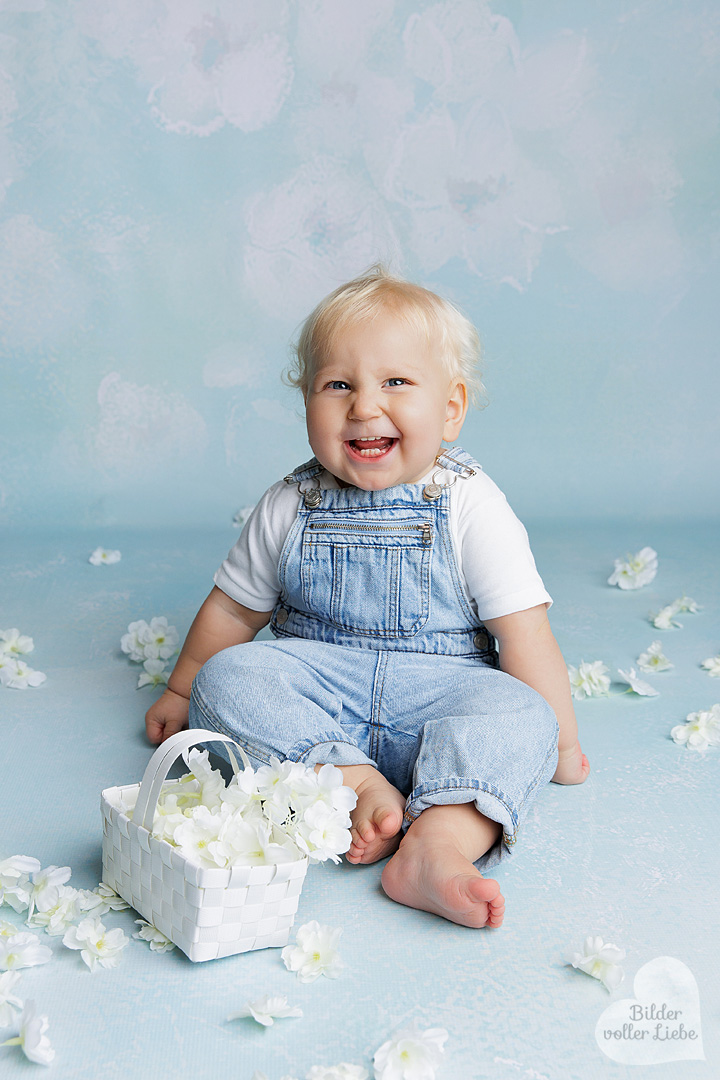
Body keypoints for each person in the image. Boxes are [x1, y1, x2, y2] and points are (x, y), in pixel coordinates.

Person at [145, 266, 589, 930]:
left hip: (440, 699)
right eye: (338, 385)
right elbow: (235, 611)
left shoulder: (471, 503)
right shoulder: (292, 501)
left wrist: (560, 739)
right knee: (231, 677)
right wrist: (184, 690)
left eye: (397, 383)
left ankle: (437, 846)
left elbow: (524, 632)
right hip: (318, 691)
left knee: (521, 713)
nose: (363, 405)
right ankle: (350, 785)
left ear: (451, 408)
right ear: (307, 404)